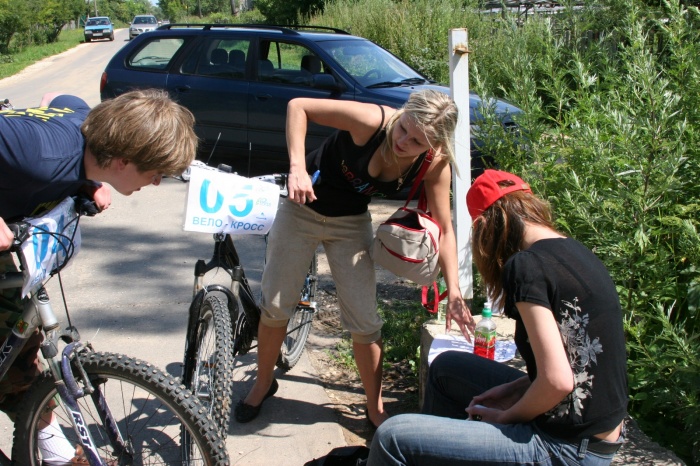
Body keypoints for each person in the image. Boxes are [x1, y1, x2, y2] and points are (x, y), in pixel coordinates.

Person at [234, 89, 476, 428]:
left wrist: (453, 291)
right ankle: (262, 384)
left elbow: (446, 230)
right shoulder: (371, 121)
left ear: (433, 146)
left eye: (417, 141)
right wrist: (297, 167)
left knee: (365, 320)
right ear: (402, 113)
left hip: (351, 222)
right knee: (276, 305)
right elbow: (298, 106)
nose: (403, 140)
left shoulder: (434, 163)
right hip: (300, 210)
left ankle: (374, 408)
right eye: (404, 127)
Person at [363, 169, 629, 465]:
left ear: (485, 225)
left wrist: (506, 416)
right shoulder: (575, 249)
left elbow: (557, 382)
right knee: (446, 367)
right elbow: (574, 364)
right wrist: (512, 389)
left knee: (392, 437)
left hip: (566, 448)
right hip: (595, 436)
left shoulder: (525, 266)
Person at [0, 89, 197, 464]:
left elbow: (62, 98)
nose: (156, 183)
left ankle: (52, 449)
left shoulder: (89, 136)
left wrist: (86, 184)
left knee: (18, 351)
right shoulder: (37, 154)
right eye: (155, 174)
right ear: (122, 161)